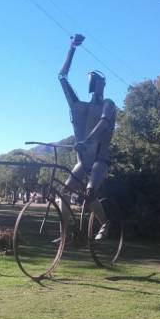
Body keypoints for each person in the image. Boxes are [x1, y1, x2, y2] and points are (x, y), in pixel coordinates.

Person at [58, 34, 116, 240]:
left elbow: (103, 123)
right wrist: (71, 48)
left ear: (102, 84)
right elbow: (62, 77)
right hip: (83, 160)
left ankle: (106, 224)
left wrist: (87, 140)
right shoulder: (81, 106)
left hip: (99, 160)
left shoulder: (108, 104)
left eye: (97, 81)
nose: (94, 83)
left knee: (90, 194)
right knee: (63, 193)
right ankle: (68, 230)